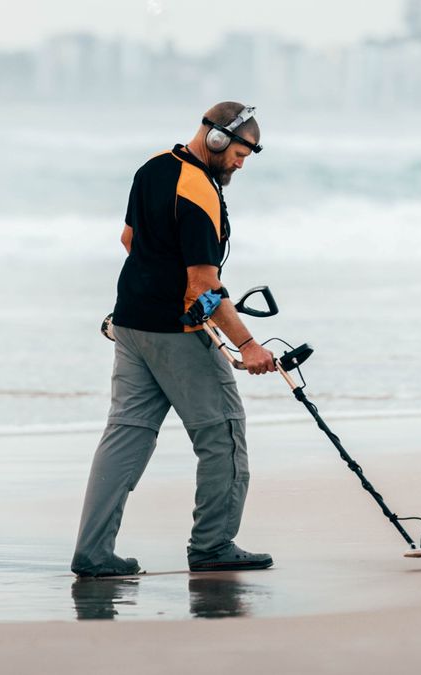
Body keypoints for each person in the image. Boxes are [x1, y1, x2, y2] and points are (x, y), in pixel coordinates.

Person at [71, 102, 276, 577]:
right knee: (222, 432)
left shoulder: (154, 167)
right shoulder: (200, 189)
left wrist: (161, 275)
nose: (242, 164)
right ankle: (212, 545)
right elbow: (203, 286)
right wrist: (248, 344)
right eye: (241, 153)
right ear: (219, 139)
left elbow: (129, 240)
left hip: (129, 322)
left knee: (126, 436)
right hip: (177, 332)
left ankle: (94, 552)